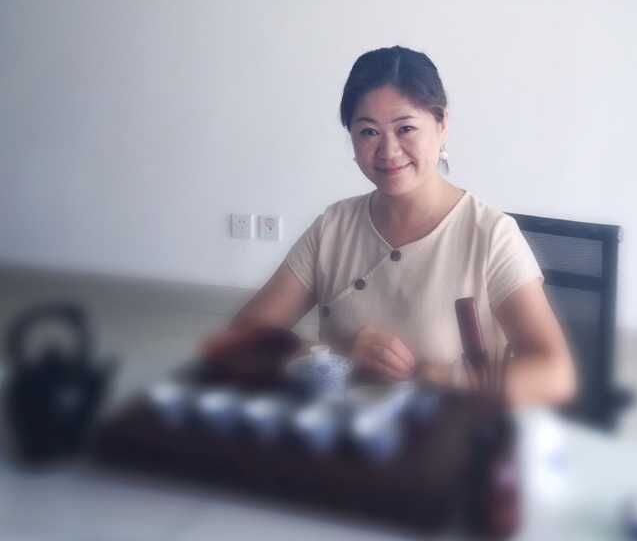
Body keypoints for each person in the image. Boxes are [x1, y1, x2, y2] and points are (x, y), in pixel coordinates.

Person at [205, 47, 577, 407]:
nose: (388, 151)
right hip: (343, 435)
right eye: (368, 132)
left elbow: (555, 374)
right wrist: (333, 354)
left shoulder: (490, 235)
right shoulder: (334, 227)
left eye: (406, 128)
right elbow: (242, 337)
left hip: (447, 438)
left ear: (442, 124)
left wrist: (441, 377)